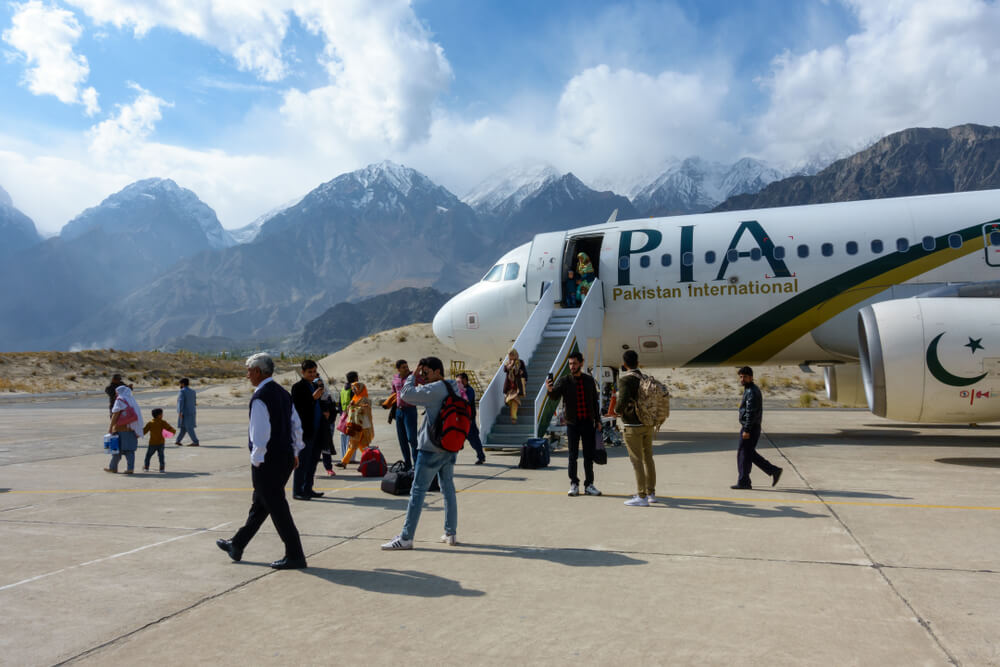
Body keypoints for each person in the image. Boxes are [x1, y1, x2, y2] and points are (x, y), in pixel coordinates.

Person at [216, 353, 307, 570]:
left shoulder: (261, 397)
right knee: (261, 503)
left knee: (276, 505)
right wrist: (295, 450)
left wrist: (256, 460)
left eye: (249, 370)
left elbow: (260, 434)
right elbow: (296, 425)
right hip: (284, 456)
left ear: (258, 371)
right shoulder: (282, 393)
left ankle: (295, 554)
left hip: (267, 461)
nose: (247, 375)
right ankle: (237, 544)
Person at [382, 356, 461, 550]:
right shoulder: (453, 386)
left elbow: (406, 395)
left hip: (431, 449)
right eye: (422, 373)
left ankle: (406, 537)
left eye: (426, 373)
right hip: (449, 446)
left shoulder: (435, 389)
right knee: (448, 488)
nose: (423, 377)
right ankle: (451, 533)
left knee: (417, 491)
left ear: (436, 371)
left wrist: (412, 375)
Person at [545, 351, 602, 497]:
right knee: (572, 455)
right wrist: (549, 390)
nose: (572, 366)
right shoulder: (565, 381)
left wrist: (598, 421)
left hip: (588, 423)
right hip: (573, 424)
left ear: (581, 363)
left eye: (575, 363)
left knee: (588, 455)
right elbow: (554, 396)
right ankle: (574, 484)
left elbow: (595, 403)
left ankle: (589, 484)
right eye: (570, 364)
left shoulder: (589, 380)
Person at [732, 366, 782, 490]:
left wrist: (747, 430)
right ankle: (772, 471)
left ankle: (744, 481)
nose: (742, 379)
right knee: (748, 454)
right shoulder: (750, 389)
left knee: (744, 454)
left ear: (751, 377)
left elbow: (750, 412)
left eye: (744, 377)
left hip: (750, 428)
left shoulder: (751, 392)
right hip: (752, 427)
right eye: (741, 377)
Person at [617, 350, 656, 506]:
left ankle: (641, 496)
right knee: (648, 458)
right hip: (647, 424)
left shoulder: (626, 379)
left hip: (632, 425)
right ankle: (651, 492)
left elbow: (624, 399)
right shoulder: (644, 378)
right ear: (637, 362)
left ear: (625, 364)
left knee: (636, 460)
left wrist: (616, 411)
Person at [291, 360, 324, 501]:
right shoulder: (298, 387)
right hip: (305, 430)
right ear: (302, 372)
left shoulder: (315, 385)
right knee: (302, 462)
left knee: (313, 460)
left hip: (317, 429)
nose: (312, 374)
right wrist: (312, 398)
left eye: (314, 371)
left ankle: (308, 488)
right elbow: (299, 408)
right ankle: (298, 490)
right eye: (309, 372)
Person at [336, 375, 374, 468]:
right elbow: (349, 409)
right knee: (354, 444)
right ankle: (344, 462)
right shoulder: (355, 398)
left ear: (360, 388)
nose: (354, 391)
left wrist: (354, 406)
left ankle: (370, 460)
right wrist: (351, 405)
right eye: (353, 389)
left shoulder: (365, 398)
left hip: (363, 426)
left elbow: (365, 411)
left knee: (361, 444)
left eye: (355, 389)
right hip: (355, 425)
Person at [105, 385, 143, 474]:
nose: (116, 394)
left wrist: (110, 427)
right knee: (129, 450)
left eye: (116, 392)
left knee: (116, 450)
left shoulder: (120, 400)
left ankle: (113, 468)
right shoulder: (132, 400)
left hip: (121, 429)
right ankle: (130, 468)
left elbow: (115, 415)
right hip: (132, 429)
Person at [392, 359, 419, 469]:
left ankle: (417, 464)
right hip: (399, 411)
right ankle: (407, 464)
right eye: (403, 367)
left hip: (410, 410)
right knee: (402, 439)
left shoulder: (412, 377)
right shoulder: (395, 378)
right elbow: (394, 393)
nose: (406, 369)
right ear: (398, 369)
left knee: (412, 438)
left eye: (407, 366)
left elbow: (424, 381)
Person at [455, 372, 486, 464]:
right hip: (460, 419)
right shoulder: (458, 390)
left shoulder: (469, 390)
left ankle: (481, 456)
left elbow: (466, 400)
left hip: (468, 420)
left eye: (459, 381)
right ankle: (451, 459)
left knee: (474, 440)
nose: (458, 383)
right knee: (456, 439)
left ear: (465, 380)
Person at [142, 408, 175, 473]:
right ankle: (162, 468)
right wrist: (172, 432)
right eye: (162, 414)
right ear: (159, 415)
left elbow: (144, 431)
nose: (162, 415)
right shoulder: (163, 422)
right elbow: (170, 429)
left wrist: (137, 435)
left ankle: (146, 467)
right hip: (161, 443)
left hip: (152, 443)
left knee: (148, 455)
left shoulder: (150, 423)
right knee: (161, 456)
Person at [503, 348, 527, 425]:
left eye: (512, 355)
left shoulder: (520, 362)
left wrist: (521, 373)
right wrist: (511, 365)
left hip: (517, 386)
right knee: (508, 401)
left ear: (515, 355)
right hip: (509, 386)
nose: (511, 357)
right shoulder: (507, 363)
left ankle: (514, 418)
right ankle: (513, 415)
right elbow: (505, 370)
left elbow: (524, 373)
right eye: (510, 355)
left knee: (514, 401)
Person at [318, 389, 338, 477]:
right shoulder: (310, 397)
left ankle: (329, 468)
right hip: (312, 427)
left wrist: (328, 420)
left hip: (326, 427)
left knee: (326, 448)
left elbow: (333, 412)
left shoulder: (328, 398)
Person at [175, 378, 199, 446]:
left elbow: (180, 402)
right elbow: (194, 402)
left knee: (189, 427)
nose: (179, 385)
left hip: (185, 412)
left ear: (182, 384)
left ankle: (195, 441)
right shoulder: (193, 391)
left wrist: (180, 411)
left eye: (180, 383)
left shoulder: (182, 391)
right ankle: (178, 441)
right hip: (192, 411)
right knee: (183, 427)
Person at [339, 375, 355, 462]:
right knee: (350, 436)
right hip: (351, 414)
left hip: (343, 414)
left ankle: (343, 456)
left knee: (343, 436)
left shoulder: (343, 389)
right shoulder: (353, 389)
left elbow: (339, 403)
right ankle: (350, 458)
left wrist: (341, 413)